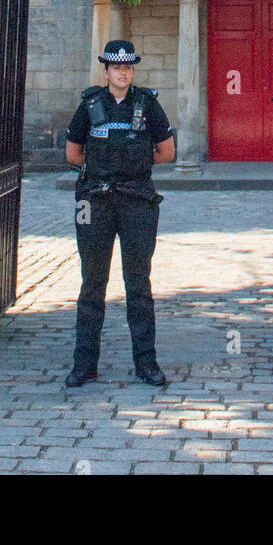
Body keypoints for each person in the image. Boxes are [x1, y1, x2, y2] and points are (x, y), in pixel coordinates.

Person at [64, 39, 175, 387]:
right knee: (92, 283)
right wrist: (104, 170)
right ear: (107, 70)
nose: (122, 72)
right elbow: (73, 153)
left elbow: (166, 152)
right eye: (116, 67)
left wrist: (131, 167)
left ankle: (146, 363)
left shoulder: (147, 103)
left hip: (137, 200)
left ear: (132, 70)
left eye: (127, 67)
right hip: (94, 202)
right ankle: (84, 364)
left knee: (138, 283)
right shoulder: (89, 104)